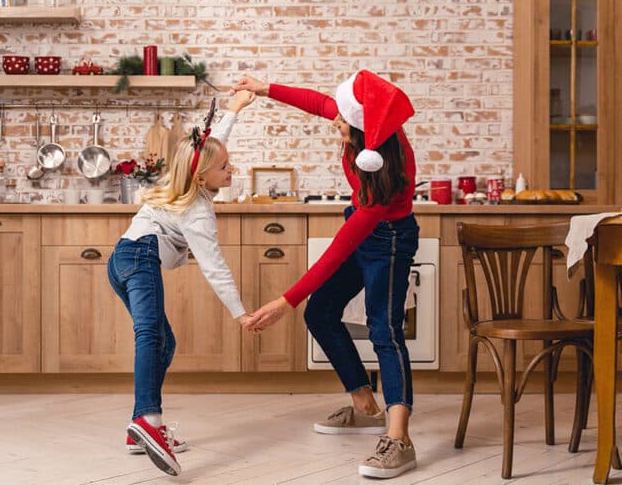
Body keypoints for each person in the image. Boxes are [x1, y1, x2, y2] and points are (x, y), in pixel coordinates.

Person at [234, 72, 419, 479]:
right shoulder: (370, 129)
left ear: (363, 131)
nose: (333, 121)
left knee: (384, 330)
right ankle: (365, 405)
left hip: (388, 238)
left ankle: (400, 439)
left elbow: (337, 252)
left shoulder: (384, 176)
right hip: (367, 227)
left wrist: (286, 300)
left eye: (341, 121)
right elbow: (319, 103)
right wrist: (266, 88)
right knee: (321, 314)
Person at [107, 91, 256, 476]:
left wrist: (234, 111)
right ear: (202, 176)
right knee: (151, 336)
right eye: (225, 168)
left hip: (121, 259)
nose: (231, 170)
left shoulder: (185, 176)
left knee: (163, 340)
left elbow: (209, 146)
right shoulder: (198, 211)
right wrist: (240, 314)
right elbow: (215, 267)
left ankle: (138, 428)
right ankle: (148, 422)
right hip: (140, 258)